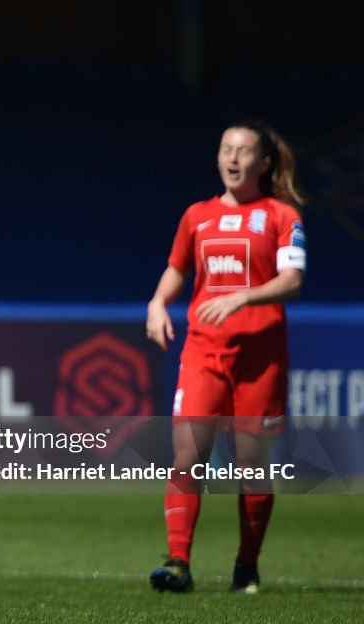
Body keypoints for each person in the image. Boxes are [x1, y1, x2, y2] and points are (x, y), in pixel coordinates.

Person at [145, 120, 306, 594]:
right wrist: (157, 303)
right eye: (225, 149)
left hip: (261, 356)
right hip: (203, 351)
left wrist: (242, 297)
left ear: (265, 162)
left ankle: (246, 567)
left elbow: (293, 282)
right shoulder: (197, 215)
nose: (232, 158)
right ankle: (178, 562)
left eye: (243, 150)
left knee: (251, 465)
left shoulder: (282, 215)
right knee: (186, 454)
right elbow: (177, 268)